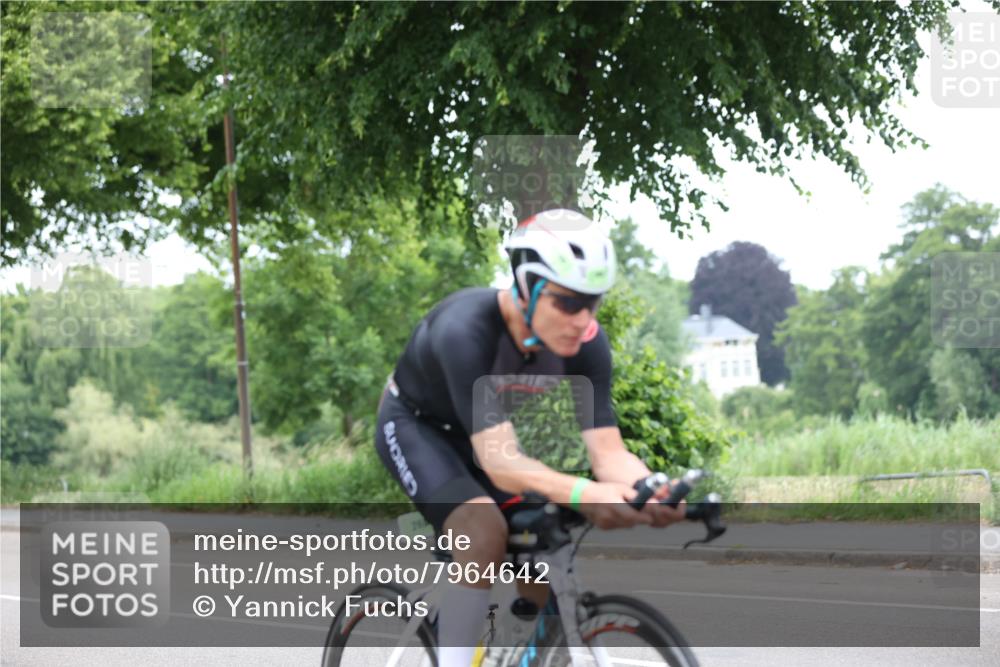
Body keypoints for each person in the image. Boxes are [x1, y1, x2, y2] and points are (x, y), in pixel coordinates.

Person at [374, 208, 684, 667]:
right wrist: (585, 493)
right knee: (482, 533)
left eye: (591, 303)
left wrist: (650, 488)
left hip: (485, 436)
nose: (582, 320)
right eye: (567, 303)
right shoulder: (465, 328)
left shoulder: (586, 343)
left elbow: (609, 453)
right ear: (525, 287)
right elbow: (500, 462)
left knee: (542, 540)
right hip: (416, 427)